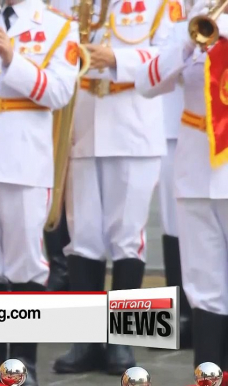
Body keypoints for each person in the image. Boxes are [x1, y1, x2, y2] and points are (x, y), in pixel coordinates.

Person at [0, 0, 79, 385]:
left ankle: (23, 363)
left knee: (26, 263)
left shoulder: (58, 25)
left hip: (23, 160)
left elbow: (59, 92)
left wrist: (12, 58)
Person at [51, 0, 176, 374]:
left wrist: (118, 59)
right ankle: (86, 341)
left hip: (133, 127)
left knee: (127, 237)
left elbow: (170, 57)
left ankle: (123, 340)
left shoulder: (159, 5)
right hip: (83, 127)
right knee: (83, 237)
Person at [134, 0, 228, 373]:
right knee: (203, 285)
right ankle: (209, 374)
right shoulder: (187, 24)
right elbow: (146, 83)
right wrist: (188, 45)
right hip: (196, 171)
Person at [155, 0, 193, 349]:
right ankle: (178, 313)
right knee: (172, 224)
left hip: (216, 130)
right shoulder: (162, 8)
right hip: (168, 124)